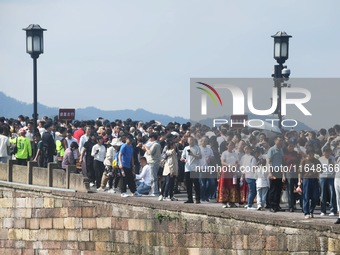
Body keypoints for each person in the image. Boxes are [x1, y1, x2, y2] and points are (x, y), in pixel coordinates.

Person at [298, 147, 321, 219]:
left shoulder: (317, 161)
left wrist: (318, 170)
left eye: (312, 154)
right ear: (307, 154)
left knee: (316, 196)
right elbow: (300, 172)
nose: (311, 155)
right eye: (310, 154)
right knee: (306, 196)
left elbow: (321, 170)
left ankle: (311, 210)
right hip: (306, 179)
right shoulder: (303, 161)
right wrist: (299, 181)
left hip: (315, 179)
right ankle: (306, 212)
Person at [218, 141, 240, 208]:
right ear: (227, 146)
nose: (231, 146)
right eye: (230, 145)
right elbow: (222, 162)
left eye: (232, 145)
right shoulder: (224, 153)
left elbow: (237, 162)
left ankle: (231, 201)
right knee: (225, 185)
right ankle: (224, 202)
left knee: (232, 186)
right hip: (225, 171)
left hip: (232, 172)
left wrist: (235, 166)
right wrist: (229, 165)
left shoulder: (235, 154)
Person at [181, 136, 202, 204]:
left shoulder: (197, 148)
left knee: (196, 184)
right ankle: (189, 198)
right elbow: (182, 157)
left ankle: (197, 198)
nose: (191, 142)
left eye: (192, 140)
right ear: (188, 141)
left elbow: (200, 156)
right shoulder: (186, 148)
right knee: (188, 184)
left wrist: (193, 155)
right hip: (187, 168)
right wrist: (183, 159)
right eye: (190, 140)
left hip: (195, 168)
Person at [267, 136, 284, 213]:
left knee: (279, 189)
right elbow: (269, 162)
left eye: (281, 141)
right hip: (273, 170)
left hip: (279, 171)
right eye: (279, 140)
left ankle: (277, 205)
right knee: (273, 189)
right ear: (275, 141)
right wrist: (270, 172)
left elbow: (282, 162)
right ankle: (271, 205)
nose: (280, 142)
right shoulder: (272, 150)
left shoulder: (281, 150)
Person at [319, 147, 337, 216]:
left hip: (331, 177)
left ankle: (333, 210)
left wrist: (332, 164)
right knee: (322, 194)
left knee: (332, 193)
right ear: (323, 153)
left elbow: (336, 168)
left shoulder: (333, 158)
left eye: (328, 152)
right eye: (325, 152)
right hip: (322, 177)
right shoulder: (320, 159)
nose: (326, 154)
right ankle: (323, 210)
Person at [283, 142, 301, 212]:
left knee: (299, 189)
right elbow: (283, 166)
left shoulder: (296, 154)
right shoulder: (285, 155)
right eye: (290, 146)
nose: (291, 147)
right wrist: (283, 175)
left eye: (292, 146)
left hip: (296, 173)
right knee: (290, 191)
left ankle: (300, 204)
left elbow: (300, 163)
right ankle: (291, 206)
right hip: (288, 173)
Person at [240, 145, 257, 210]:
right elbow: (254, 168)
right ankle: (249, 205)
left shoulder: (243, 157)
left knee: (251, 191)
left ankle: (250, 203)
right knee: (252, 191)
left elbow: (242, 166)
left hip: (246, 175)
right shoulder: (252, 158)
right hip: (251, 176)